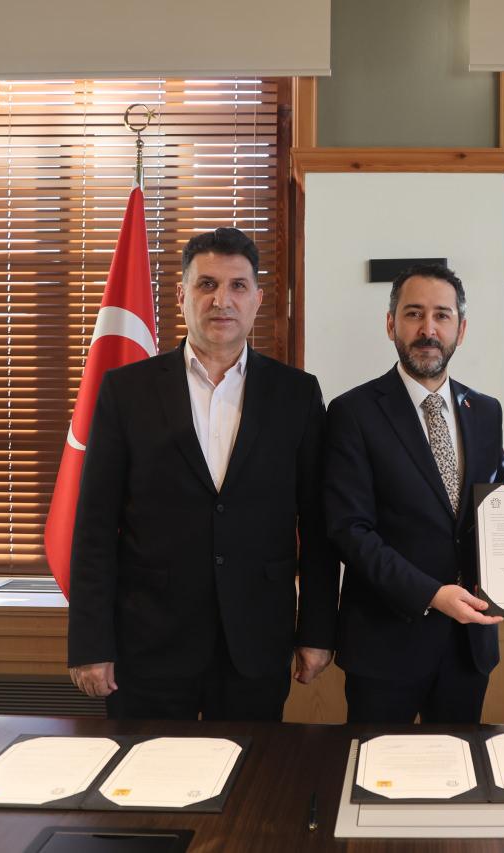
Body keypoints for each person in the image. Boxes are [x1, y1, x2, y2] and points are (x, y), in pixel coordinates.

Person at [66, 227, 339, 720]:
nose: (222, 300)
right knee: (147, 769)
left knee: (252, 767)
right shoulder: (126, 391)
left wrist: (317, 631)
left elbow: (318, 526)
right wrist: (90, 642)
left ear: (257, 299)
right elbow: (94, 526)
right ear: (181, 294)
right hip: (148, 643)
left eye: (238, 286)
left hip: (256, 641)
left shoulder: (296, 394)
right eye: (207, 284)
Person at [325, 263, 504, 724]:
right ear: (391, 324)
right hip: (385, 646)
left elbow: (495, 512)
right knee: (375, 765)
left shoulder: (486, 412)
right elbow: (350, 531)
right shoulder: (352, 412)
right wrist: (431, 594)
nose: (428, 329)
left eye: (442, 315)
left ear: (461, 329)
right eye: (414, 314)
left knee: (460, 764)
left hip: (468, 645)